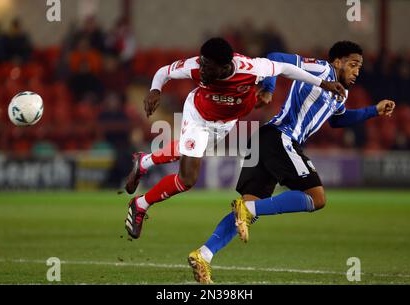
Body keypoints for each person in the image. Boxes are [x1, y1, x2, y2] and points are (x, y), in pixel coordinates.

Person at [187, 41, 396, 284]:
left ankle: (203, 254)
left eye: (359, 67)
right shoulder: (320, 70)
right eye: (353, 64)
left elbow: (337, 120)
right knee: (316, 198)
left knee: (249, 207)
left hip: (267, 140)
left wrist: (374, 110)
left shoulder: (340, 93)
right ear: (337, 62)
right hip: (281, 137)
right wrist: (268, 88)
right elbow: (275, 56)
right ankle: (246, 211)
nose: (357, 71)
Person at [123, 37, 346, 240]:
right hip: (198, 115)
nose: (201, 71)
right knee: (187, 179)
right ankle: (141, 204)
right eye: (202, 63)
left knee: (186, 150)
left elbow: (285, 68)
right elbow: (164, 72)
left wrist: (323, 84)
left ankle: (144, 162)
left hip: (226, 121)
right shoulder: (196, 66)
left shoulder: (251, 68)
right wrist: (155, 91)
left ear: (225, 66)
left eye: (208, 67)